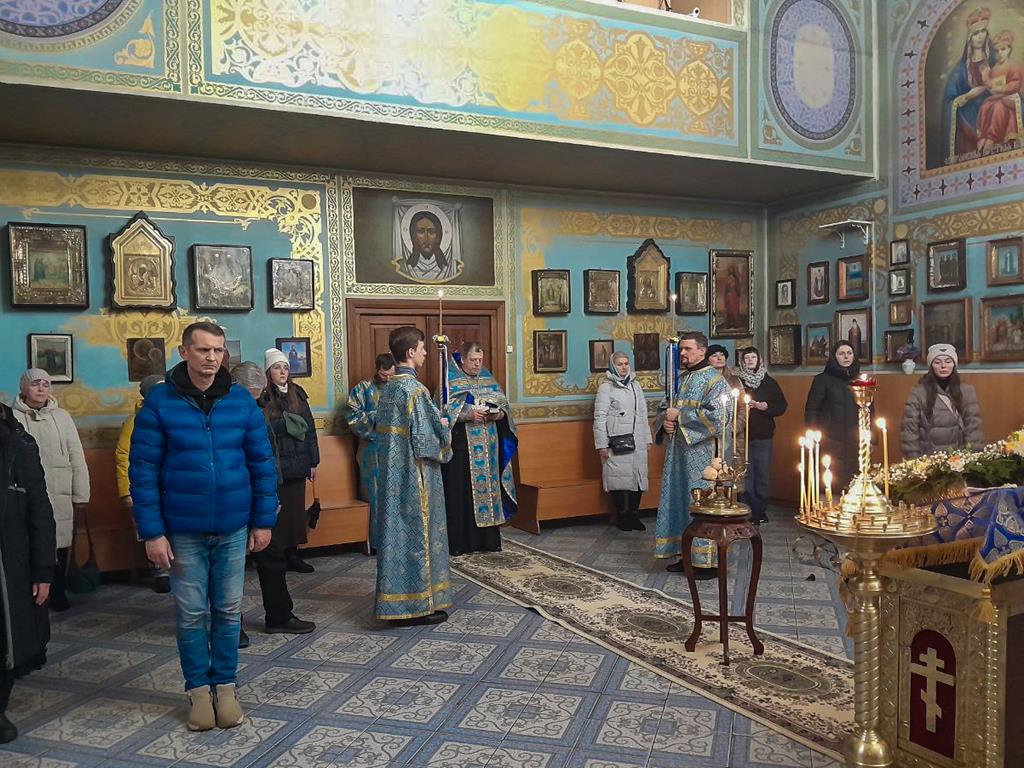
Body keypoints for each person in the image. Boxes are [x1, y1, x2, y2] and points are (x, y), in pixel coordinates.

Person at [129, 322, 277, 731]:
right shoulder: (160, 402)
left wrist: (263, 521)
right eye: (203, 350)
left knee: (228, 611)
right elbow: (142, 471)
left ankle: (225, 688)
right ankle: (198, 690)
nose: (212, 358)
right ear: (184, 352)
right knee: (192, 613)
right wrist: (152, 532)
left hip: (232, 525)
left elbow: (262, 465)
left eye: (218, 350)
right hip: (183, 529)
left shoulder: (240, 402)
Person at [374, 326, 452, 625]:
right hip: (415, 477)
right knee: (418, 538)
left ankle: (396, 603)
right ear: (410, 352)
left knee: (398, 536)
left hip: (392, 477)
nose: (425, 353)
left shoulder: (389, 389)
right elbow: (425, 443)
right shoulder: (415, 391)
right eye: (421, 348)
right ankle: (417, 606)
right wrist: (445, 426)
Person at [233, 362, 316, 638]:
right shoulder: (224, 415)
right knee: (230, 566)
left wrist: (271, 497)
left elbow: (269, 459)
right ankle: (231, 626)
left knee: (273, 556)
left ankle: (279, 616)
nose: (253, 402)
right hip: (233, 499)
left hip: (262, 497)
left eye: (257, 396)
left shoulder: (259, 411)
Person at [0, 401, 56, 744]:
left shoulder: (16, 442)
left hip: (9, 562)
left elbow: (39, 510)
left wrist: (44, 569)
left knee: (8, 636)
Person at [11, 369, 89, 613]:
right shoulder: (12, 417)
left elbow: (76, 455)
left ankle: (58, 590)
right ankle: (33, 592)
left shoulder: (62, 417)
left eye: (46, 384)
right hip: (27, 493)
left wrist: (81, 494)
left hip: (60, 491)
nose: (41, 388)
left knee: (60, 542)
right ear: (24, 388)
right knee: (31, 541)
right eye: (35, 383)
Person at [654, 332, 731, 574]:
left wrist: (681, 417)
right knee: (680, 500)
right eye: (682, 349)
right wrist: (664, 423)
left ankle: (705, 561)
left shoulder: (715, 381)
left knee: (701, 501)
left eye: (687, 349)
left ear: (702, 351)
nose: (683, 353)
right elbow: (665, 408)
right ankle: (685, 553)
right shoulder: (681, 379)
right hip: (678, 453)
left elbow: (720, 417)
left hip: (703, 456)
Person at [443, 342, 518, 555]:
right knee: (463, 494)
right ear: (462, 359)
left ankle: (488, 541)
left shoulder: (487, 378)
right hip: (462, 448)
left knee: (489, 493)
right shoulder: (449, 380)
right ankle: (461, 543)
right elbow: (441, 410)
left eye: (480, 360)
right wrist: (467, 414)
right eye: (473, 360)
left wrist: (498, 414)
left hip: (489, 449)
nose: (477, 364)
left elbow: (504, 406)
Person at [262, 348, 319, 574]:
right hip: (277, 462)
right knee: (278, 511)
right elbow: (264, 428)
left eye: (285, 368)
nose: (282, 372)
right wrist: (285, 424)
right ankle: (277, 554)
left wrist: (314, 462)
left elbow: (310, 430)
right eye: (277, 368)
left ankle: (294, 554)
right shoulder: (264, 397)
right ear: (269, 371)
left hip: (298, 461)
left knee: (295, 511)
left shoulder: (298, 394)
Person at [115, 374, 170, 594]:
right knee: (152, 528)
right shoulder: (136, 420)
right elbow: (123, 455)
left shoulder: (174, 415)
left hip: (170, 485)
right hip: (147, 486)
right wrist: (126, 491)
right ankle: (160, 572)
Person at [594, 351, 652, 532]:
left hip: (638, 439)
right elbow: (600, 417)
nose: (624, 367)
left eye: (626, 363)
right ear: (613, 366)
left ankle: (634, 515)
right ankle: (621, 515)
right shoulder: (606, 388)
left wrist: (647, 439)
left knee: (638, 477)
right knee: (618, 479)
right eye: (620, 364)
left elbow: (643, 414)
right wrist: (602, 445)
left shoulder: (635, 385)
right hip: (617, 440)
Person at [344, 353, 396, 550]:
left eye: (391, 375)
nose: (388, 379)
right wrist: (376, 417)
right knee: (374, 494)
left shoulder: (399, 389)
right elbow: (352, 416)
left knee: (396, 494)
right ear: (376, 370)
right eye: (384, 375)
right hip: (371, 450)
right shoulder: (362, 389)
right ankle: (376, 542)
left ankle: (396, 541)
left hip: (396, 448)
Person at [900, 344, 984, 459]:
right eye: (937, 362)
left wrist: (974, 459)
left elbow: (973, 428)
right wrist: (914, 461)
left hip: (958, 459)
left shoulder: (966, 391)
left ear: (954, 364)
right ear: (931, 365)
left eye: (948, 361)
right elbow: (909, 431)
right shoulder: (918, 393)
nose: (943, 366)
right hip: (929, 459)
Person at [736, 347, 787, 524]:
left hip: (763, 435)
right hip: (742, 435)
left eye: (753, 357)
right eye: (747, 358)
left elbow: (781, 406)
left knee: (762, 473)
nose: (750, 360)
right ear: (742, 361)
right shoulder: (737, 381)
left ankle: (760, 510)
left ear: (759, 360)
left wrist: (766, 407)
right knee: (745, 473)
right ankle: (747, 510)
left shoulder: (769, 382)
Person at [805, 341, 861, 490]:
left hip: (855, 439)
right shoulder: (822, 380)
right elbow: (812, 410)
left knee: (854, 482)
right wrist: (813, 435)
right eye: (841, 354)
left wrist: (871, 437)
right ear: (834, 357)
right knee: (831, 482)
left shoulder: (860, 379)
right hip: (830, 439)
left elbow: (869, 409)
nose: (846, 357)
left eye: (849, 353)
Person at [943, 7, 995, 164]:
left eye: (983, 31)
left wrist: (986, 89)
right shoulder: (959, 71)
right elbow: (949, 101)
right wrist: (968, 96)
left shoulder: (994, 62)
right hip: (969, 114)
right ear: (970, 38)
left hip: (992, 109)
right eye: (976, 33)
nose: (980, 37)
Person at [977, 30, 1022, 153]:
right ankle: (983, 136)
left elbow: (1016, 83)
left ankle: (992, 137)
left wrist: (1002, 88)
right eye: (997, 51)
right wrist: (985, 77)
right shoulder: (995, 69)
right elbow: (990, 86)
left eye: (1003, 49)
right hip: (997, 97)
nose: (1000, 53)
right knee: (985, 106)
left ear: (1009, 49)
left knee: (998, 107)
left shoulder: (1013, 65)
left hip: (1011, 98)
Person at [400, 210, 459, 283]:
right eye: (421, 231)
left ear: (438, 237)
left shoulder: (446, 268)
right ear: (414, 237)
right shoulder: (408, 267)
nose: (426, 238)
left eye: (432, 232)